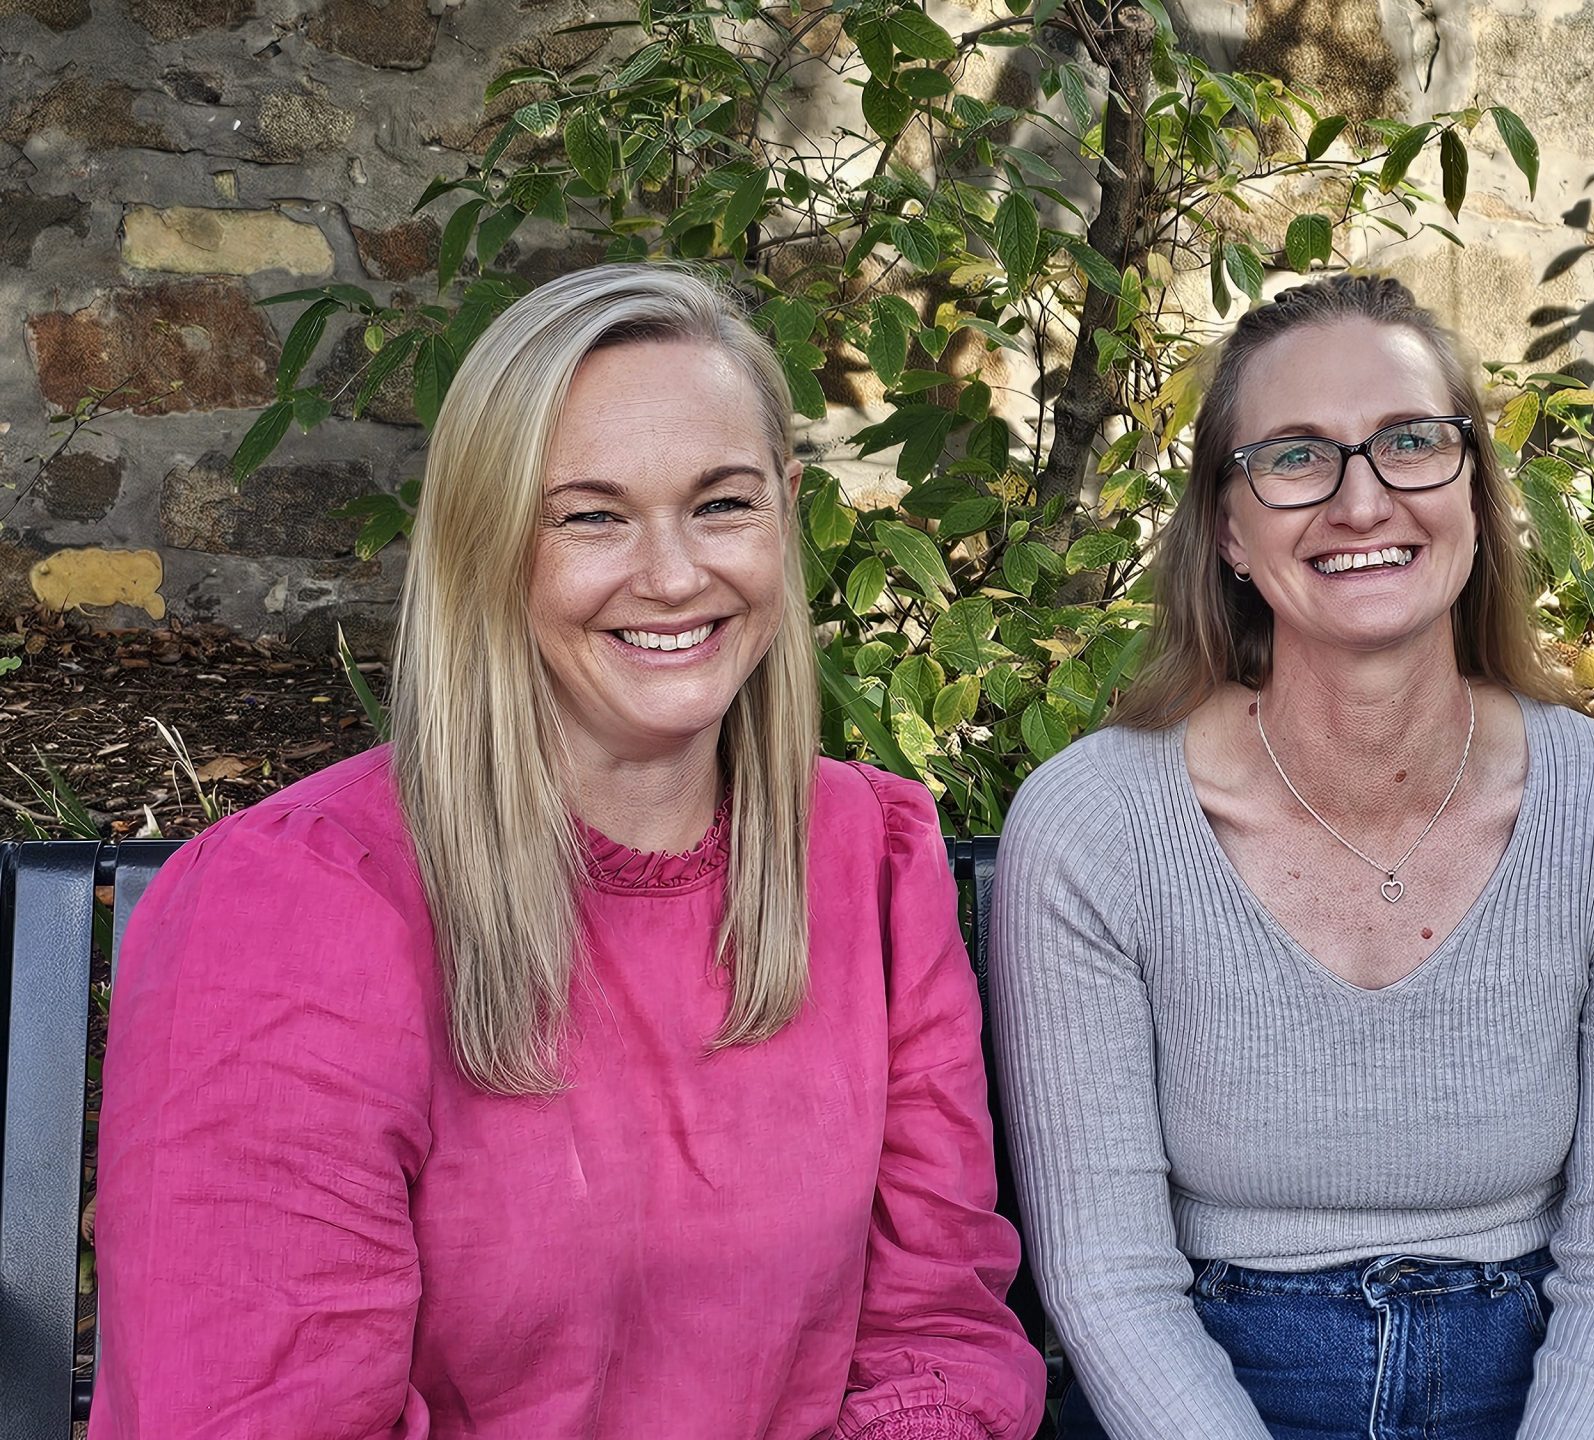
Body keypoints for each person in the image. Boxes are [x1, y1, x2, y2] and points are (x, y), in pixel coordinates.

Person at [93, 263, 1047, 1439]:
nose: (674, 575)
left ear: (786, 511)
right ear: (486, 543)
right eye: (591, 515)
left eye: (722, 503)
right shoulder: (292, 910)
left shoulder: (868, 858)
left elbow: (932, 1329)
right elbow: (261, 1408)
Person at [986, 273, 1594, 1440]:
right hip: (1201, 1393)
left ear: (1474, 492)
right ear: (1227, 528)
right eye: (1294, 457)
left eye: (1411, 442)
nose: (1363, 501)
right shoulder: (1097, 827)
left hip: (1548, 1392)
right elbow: (1109, 1281)